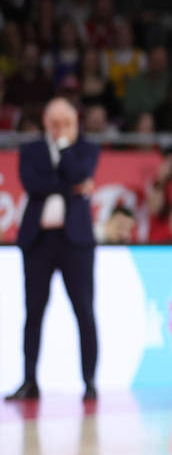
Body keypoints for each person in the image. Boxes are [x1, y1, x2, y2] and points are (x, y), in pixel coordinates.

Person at [6, 98, 100, 402]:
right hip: (39, 242)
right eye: (55, 123)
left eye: (66, 123)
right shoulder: (31, 149)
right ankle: (29, 380)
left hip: (76, 243)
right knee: (33, 311)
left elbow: (79, 173)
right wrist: (73, 186)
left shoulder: (86, 148)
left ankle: (89, 381)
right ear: (46, 122)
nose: (60, 128)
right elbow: (33, 184)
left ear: (75, 123)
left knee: (84, 310)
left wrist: (64, 148)